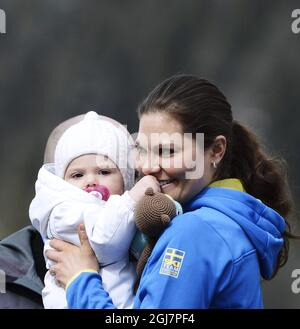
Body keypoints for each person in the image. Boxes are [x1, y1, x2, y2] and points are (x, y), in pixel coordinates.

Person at [48, 74, 295, 309]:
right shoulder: (228, 220)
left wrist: (81, 280)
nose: (148, 167)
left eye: (167, 152)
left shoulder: (195, 231)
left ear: (216, 150)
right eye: (142, 150)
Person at [29, 111, 160, 309]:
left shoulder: (114, 209)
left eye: (104, 172)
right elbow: (104, 242)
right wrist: (132, 199)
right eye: (77, 175)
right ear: (63, 181)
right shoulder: (63, 212)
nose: (90, 181)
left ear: (125, 181)